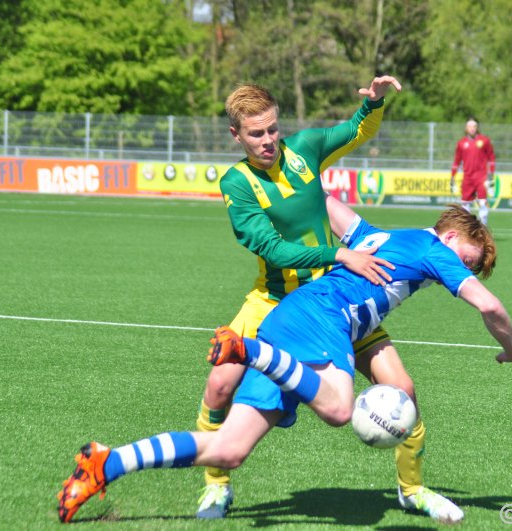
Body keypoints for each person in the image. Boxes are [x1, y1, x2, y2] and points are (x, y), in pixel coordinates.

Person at [56, 205, 512, 525]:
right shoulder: (434, 249)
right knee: (338, 408)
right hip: (319, 318)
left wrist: (301, 178)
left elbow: (325, 200)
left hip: (295, 325)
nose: (461, 270)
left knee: (229, 450)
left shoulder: (387, 236)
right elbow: (489, 307)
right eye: (465, 260)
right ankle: (247, 352)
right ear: (451, 236)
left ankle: (106, 462)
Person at [192, 77, 460, 523]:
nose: (268, 141)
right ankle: (216, 487)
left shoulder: (305, 149)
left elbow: (356, 130)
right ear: (235, 136)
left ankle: (412, 490)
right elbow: (273, 250)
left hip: (336, 301)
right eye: (256, 134)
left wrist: (373, 104)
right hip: (273, 300)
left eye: (273, 129)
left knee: (403, 390)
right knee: (219, 386)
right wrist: (340, 252)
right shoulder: (237, 184)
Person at [450, 117, 496, 226]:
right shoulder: (461, 143)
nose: (472, 129)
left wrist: (491, 174)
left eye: (474, 126)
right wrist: (452, 176)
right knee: (465, 206)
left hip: (481, 177)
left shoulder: (484, 141)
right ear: (466, 128)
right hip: (468, 178)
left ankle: (483, 230)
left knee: (483, 203)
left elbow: (491, 157)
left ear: (477, 128)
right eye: (470, 126)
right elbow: (457, 161)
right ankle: (468, 231)